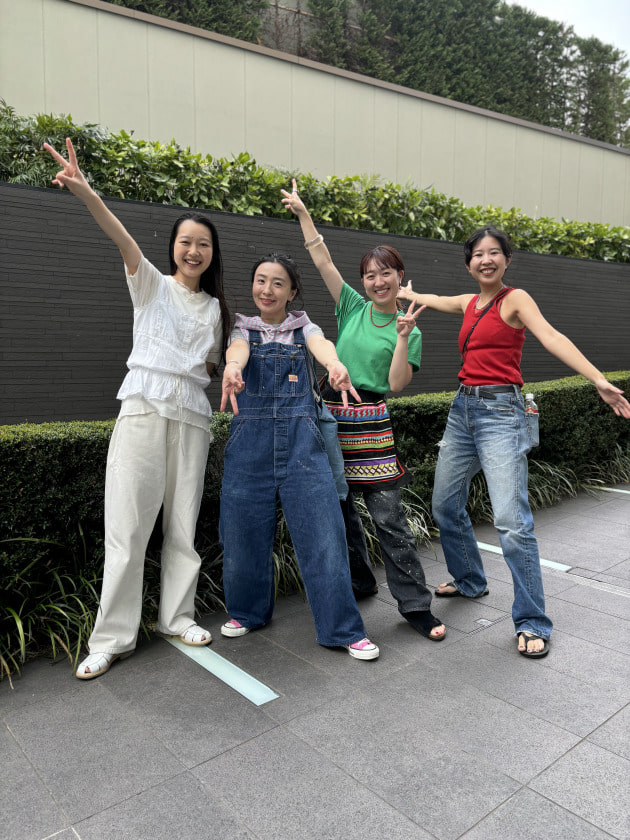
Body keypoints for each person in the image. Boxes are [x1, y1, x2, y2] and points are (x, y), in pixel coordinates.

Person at [397, 224, 630, 658]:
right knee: (445, 504)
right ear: (469, 264)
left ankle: (532, 620)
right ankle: (470, 579)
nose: (485, 260)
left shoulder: (516, 299)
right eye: (477, 254)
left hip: (501, 414)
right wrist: (409, 294)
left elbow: (552, 336)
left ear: (506, 259)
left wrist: (597, 379)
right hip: (462, 410)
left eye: (494, 253)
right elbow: (437, 299)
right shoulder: (469, 302)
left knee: (511, 522)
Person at [44, 138, 231, 679]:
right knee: (127, 528)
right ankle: (112, 638)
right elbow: (120, 236)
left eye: (203, 244)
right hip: (144, 408)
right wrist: (86, 191)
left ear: (212, 254)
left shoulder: (218, 309)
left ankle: (177, 617)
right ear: (173, 247)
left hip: (193, 417)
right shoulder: (150, 284)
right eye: (186, 242)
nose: (193, 251)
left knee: (182, 525)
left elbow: (214, 365)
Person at [281, 182, 446, 642]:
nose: (377, 281)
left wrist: (401, 336)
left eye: (385, 273)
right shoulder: (352, 306)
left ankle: (415, 605)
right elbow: (323, 261)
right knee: (339, 511)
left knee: (389, 518)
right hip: (329, 418)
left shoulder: (410, 329)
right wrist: (304, 214)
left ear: (399, 276)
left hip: (372, 423)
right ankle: (360, 580)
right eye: (370, 275)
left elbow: (396, 384)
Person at [219, 252, 379, 660]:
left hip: (302, 445)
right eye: (260, 280)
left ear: (292, 292)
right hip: (249, 445)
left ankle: (342, 629)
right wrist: (233, 368)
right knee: (242, 533)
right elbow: (237, 350)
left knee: (325, 536)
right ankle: (247, 612)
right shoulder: (243, 328)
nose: (267, 289)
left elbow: (320, 345)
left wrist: (335, 364)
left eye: (277, 283)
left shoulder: (303, 327)